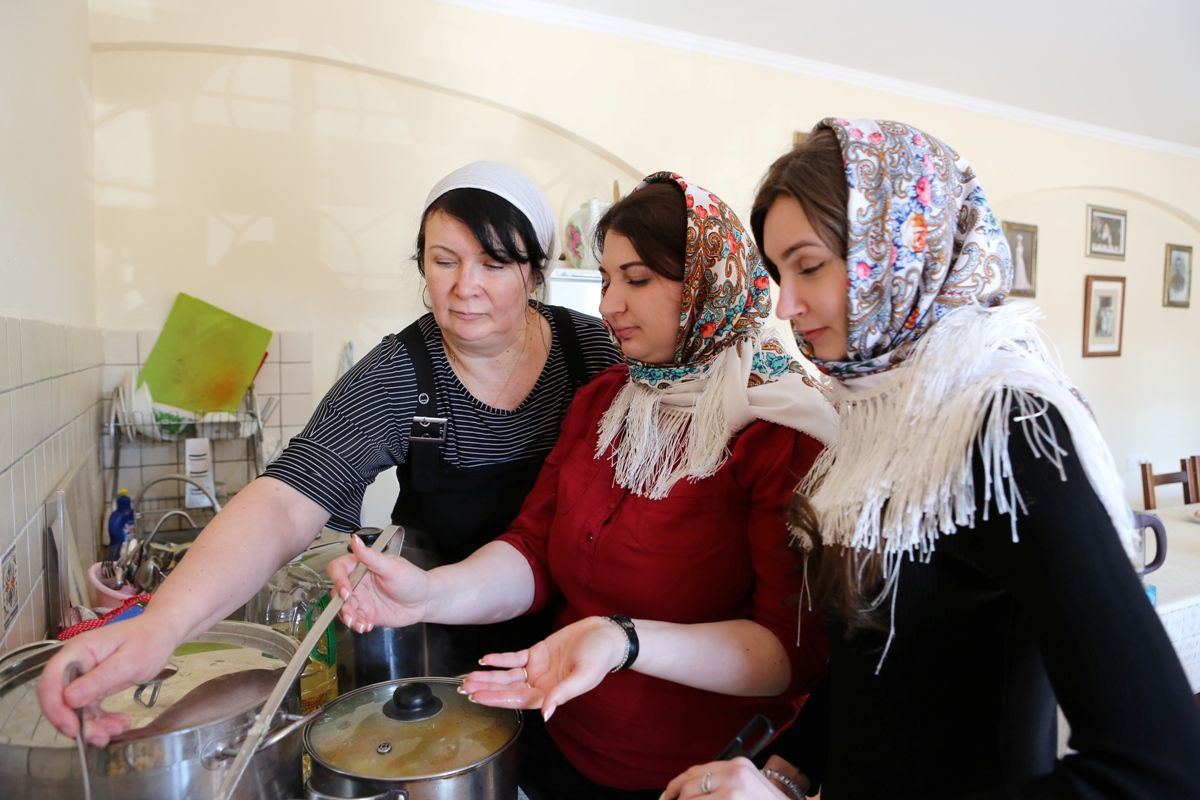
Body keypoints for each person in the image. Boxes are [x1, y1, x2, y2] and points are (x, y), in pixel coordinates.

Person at [663, 118, 1200, 799]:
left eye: (809, 265)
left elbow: (1157, 765)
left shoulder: (1004, 423)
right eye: (777, 273)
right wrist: (785, 773)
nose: (786, 306)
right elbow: (876, 660)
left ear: (898, 253)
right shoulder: (876, 413)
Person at [37, 161, 621, 745]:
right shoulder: (399, 375)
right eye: (445, 261)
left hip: (586, 648)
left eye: (493, 264)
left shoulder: (593, 353)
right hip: (441, 652)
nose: (465, 287)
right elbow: (285, 501)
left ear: (535, 272)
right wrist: (160, 626)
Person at [329, 172, 836, 798]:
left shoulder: (779, 434)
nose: (609, 306)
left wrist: (624, 640)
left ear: (708, 283)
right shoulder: (606, 402)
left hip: (701, 775)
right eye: (606, 280)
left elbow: (789, 655)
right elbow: (534, 545)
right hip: (559, 737)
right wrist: (430, 594)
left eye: (637, 280)